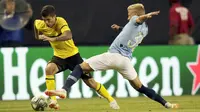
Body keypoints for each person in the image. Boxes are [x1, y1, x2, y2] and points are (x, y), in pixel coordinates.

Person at [45, 3, 179, 109]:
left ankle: (64, 90)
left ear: (135, 14)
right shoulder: (145, 30)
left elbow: (138, 19)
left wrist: (146, 15)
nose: (128, 17)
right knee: (141, 87)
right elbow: (130, 32)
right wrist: (120, 29)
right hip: (126, 62)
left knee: (80, 68)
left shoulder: (135, 20)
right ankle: (166, 104)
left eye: (129, 14)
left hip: (114, 55)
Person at [34, 5, 119, 110]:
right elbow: (36, 29)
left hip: (73, 56)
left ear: (54, 17)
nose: (47, 23)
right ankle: (54, 101)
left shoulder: (60, 21)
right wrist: (39, 37)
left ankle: (111, 100)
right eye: (44, 20)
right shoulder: (40, 24)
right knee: (49, 69)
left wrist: (53, 39)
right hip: (59, 56)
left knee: (91, 83)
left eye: (49, 20)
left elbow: (68, 35)